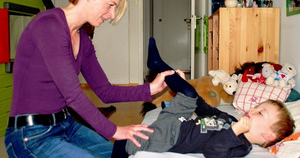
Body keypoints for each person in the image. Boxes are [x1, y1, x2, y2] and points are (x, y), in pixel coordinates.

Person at [4, 0, 174, 158]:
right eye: (111, 5)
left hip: (66, 125)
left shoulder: (83, 40)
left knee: (120, 155)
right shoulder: (49, 25)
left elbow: (105, 91)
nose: (112, 15)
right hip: (31, 135)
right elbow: (74, 96)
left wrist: (151, 88)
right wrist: (115, 131)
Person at [114, 37, 295, 158]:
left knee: (127, 143)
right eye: (257, 107)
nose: (252, 109)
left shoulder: (241, 147)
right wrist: (184, 88)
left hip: (171, 138)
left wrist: (234, 131)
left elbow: (212, 151)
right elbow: (205, 110)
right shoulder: (231, 119)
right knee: (191, 94)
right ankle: (158, 65)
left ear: (267, 134)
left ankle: (158, 65)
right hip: (178, 121)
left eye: (260, 113)